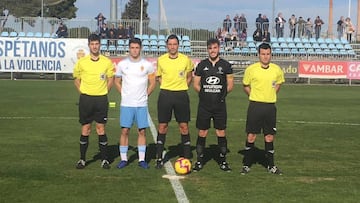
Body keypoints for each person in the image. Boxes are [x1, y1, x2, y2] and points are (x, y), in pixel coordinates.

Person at [240, 42, 285, 175]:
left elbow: (278, 84)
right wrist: (254, 96)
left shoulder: (276, 69)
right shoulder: (251, 69)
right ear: (258, 55)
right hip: (255, 106)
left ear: (271, 55)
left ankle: (271, 165)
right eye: (263, 54)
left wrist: (269, 95)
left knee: (269, 137)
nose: (265, 57)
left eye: (268, 54)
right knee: (251, 136)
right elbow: (246, 85)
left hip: (270, 107)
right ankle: (247, 164)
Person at [73, 34, 115, 169]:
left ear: (99, 45)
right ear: (89, 45)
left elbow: (111, 79)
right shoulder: (81, 62)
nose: (95, 46)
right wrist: (83, 93)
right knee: (85, 128)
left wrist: (104, 92)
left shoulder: (106, 62)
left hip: (101, 99)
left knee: (100, 128)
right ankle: (82, 159)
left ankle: (104, 160)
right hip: (86, 99)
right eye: (92, 44)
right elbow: (76, 80)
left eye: (97, 44)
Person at [192, 38, 234, 172]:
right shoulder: (201, 65)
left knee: (220, 132)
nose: (213, 51)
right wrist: (204, 94)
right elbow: (196, 84)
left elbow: (230, 85)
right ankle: (199, 160)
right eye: (210, 48)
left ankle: (223, 161)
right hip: (204, 105)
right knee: (202, 132)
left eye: (215, 48)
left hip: (220, 105)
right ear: (207, 50)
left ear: (219, 48)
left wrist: (221, 95)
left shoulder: (226, 65)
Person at [114, 38, 156, 169]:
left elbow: (153, 82)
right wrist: (123, 93)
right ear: (129, 48)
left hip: (141, 104)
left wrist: (146, 94)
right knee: (125, 130)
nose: (134, 50)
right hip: (127, 104)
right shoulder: (122, 64)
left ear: (140, 48)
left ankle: (142, 160)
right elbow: (116, 81)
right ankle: (124, 159)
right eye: (132, 48)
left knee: (142, 131)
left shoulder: (147, 64)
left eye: (137, 48)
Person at [155, 34, 194, 169]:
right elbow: (159, 77)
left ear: (178, 45)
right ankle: (159, 158)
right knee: (162, 126)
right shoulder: (161, 60)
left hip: (181, 95)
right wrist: (167, 86)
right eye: (170, 44)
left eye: (175, 44)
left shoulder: (185, 59)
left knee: (183, 126)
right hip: (165, 95)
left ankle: (187, 157)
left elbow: (189, 77)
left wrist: (181, 87)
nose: (172, 47)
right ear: (167, 46)